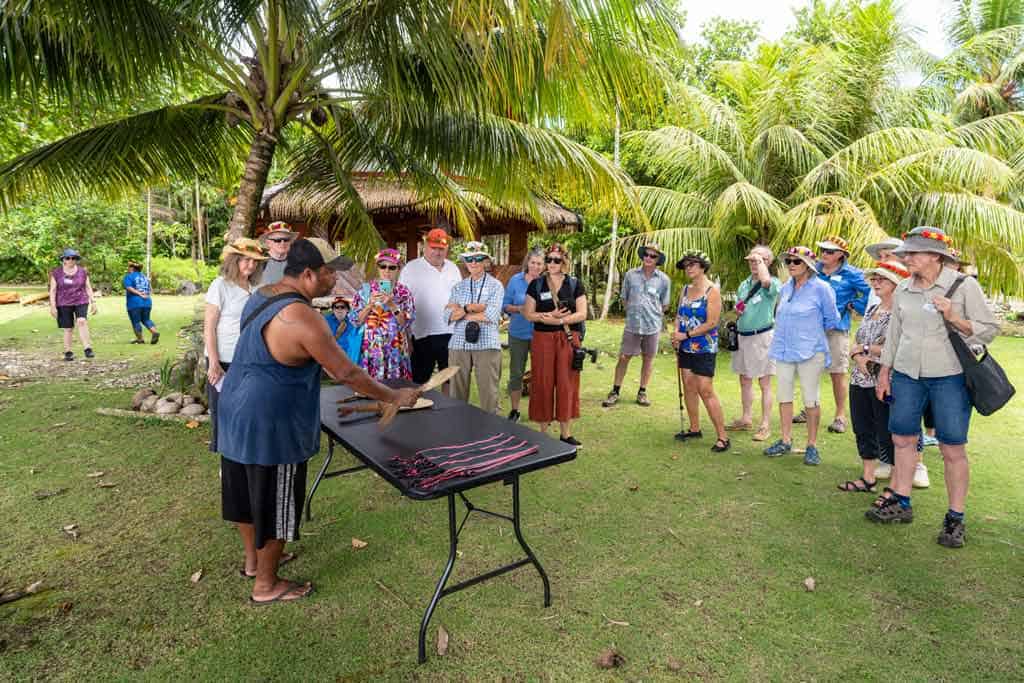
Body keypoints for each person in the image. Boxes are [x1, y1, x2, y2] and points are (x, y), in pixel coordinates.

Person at [217, 238, 418, 603]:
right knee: (275, 503)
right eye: (330, 272)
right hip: (271, 422)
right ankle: (266, 585)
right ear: (308, 274)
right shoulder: (302, 316)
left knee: (246, 494)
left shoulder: (262, 296)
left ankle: (254, 563)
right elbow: (346, 373)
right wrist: (394, 397)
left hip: (233, 407)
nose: (335, 279)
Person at [870, 227, 999, 548]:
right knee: (902, 438)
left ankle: (955, 518)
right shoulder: (903, 288)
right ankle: (901, 501)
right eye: (906, 253)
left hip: (949, 378)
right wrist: (884, 372)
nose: (906, 258)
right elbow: (895, 336)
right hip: (906, 376)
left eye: (913, 253)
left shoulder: (963, 286)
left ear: (935, 257)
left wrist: (954, 317)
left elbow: (989, 330)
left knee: (952, 447)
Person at [763, 246, 840, 465]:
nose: (790, 265)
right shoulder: (786, 287)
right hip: (783, 349)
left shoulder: (822, 288)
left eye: (796, 261)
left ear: (808, 265)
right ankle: (785, 440)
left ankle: (812, 445)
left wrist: (810, 336)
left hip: (811, 352)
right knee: (784, 396)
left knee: (811, 399)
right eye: (788, 261)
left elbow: (832, 320)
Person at [837, 260, 907, 493]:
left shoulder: (901, 313)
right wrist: (860, 355)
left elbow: (896, 346)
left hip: (886, 380)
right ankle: (868, 478)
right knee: (863, 427)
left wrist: (864, 350)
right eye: (874, 279)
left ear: (896, 283)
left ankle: (896, 485)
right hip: (860, 378)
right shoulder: (871, 309)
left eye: (882, 279)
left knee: (888, 431)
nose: (876, 283)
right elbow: (858, 340)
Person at [798, 236, 869, 435]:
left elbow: (872, 293)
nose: (824, 254)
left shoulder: (852, 274)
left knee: (837, 372)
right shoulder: (813, 270)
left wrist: (855, 305)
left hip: (836, 330)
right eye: (822, 250)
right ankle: (809, 408)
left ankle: (840, 416)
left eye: (829, 251)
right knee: (809, 371)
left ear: (841, 255)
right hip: (811, 329)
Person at [204, 238, 267, 453]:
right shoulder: (220, 285)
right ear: (234, 260)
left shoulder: (257, 288)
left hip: (250, 358)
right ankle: (226, 458)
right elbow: (209, 327)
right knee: (223, 410)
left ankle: (244, 452)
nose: (251, 265)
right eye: (246, 260)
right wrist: (213, 363)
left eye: (255, 261)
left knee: (248, 409)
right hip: (223, 359)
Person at [523, 243, 587, 447]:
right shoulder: (537, 284)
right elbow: (528, 313)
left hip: (568, 338)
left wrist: (559, 321)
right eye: (548, 259)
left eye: (556, 260)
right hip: (543, 339)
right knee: (543, 382)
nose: (552, 263)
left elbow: (582, 313)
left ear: (564, 262)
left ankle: (565, 434)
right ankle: (543, 433)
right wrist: (549, 316)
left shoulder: (575, 284)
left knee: (566, 383)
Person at [671, 250, 729, 452]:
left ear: (703, 267)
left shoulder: (712, 291)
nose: (688, 268)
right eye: (686, 265)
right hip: (685, 346)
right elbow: (679, 315)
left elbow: (712, 323)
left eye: (692, 264)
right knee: (688, 385)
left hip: (704, 346)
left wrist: (685, 335)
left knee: (705, 389)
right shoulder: (685, 290)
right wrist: (676, 333)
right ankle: (694, 428)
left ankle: (723, 437)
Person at [601, 243, 671, 408]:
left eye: (653, 256)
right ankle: (615, 391)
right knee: (624, 357)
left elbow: (665, 304)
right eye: (646, 254)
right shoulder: (630, 275)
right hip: (632, 325)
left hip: (652, 326)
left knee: (648, 359)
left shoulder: (664, 280)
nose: (648, 258)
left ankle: (642, 392)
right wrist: (633, 313)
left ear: (658, 259)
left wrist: (652, 314)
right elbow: (624, 298)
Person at [726, 245, 780, 442]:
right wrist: (738, 310)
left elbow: (765, 281)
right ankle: (746, 418)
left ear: (768, 263)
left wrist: (759, 261)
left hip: (762, 337)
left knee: (764, 382)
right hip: (743, 336)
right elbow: (740, 305)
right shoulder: (744, 284)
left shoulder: (772, 283)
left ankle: (765, 425)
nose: (753, 263)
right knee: (744, 379)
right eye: (751, 260)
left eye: (758, 260)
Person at [445, 241, 505, 413]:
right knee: (456, 395)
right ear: (465, 262)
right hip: (458, 344)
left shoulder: (495, 286)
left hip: (487, 344)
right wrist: (470, 308)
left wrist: (460, 312)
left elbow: (491, 316)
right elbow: (447, 316)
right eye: (469, 259)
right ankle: (459, 426)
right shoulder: (458, 287)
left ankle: (490, 428)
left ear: (485, 261)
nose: (473, 262)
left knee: (489, 395)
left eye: (478, 258)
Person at [399, 228, 463, 387]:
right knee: (419, 382)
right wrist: (406, 336)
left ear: (447, 249)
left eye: (441, 248)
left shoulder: (453, 268)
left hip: (451, 333)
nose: (438, 252)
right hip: (421, 334)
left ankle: (448, 405)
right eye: (434, 248)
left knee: (450, 380)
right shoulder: (411, 268)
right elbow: (402, 303)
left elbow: (460, 298)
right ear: (425, 247)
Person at [350, 248, 415, 380]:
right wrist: (369, 305)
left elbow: (405, 323)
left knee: (395, 388)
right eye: (383, 266)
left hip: (395, 348)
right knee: (371, 388)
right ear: (378, 268)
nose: (387, 271)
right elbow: (356, 321)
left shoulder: (403, 292)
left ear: (398, 269)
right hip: (371, 349)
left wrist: (392, 304)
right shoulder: (365, 290)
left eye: (392, 267)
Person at [502, 248, 544, 421]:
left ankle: (540, 410)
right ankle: (515, 410)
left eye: (539, 263)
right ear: (528, 262)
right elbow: (505, 305)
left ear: (543, 266)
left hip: (540, 335)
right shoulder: (515, 280)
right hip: (518, 334)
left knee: (541, 373)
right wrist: (520, 309)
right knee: (516, 373)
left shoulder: (547, 282)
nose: (536, 266)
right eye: (533, 262)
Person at [49, 248, 97, 361]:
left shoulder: (82, 271)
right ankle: (68, 352)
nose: (71, 260)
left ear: (76, 259)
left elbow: (88, 287)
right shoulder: (56, 273)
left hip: (81, 300)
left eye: (73, 258)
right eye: (68, 258)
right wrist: (53, 306)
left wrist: (93, 302)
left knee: (82, 321)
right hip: (63, 303)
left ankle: (87, 348)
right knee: (68, 328)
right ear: (63, 260)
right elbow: (53, 290)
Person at [123, 260, 159, 345]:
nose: (128, 269)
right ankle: (154, 332)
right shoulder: (144, 277)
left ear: (132, 268)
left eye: (129, 267)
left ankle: (140, 339)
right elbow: (150, 289)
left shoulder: (129, 276)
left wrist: (139, 293)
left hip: (135, 302)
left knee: (135, 321)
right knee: (146, 319)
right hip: (147, 301)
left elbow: (129, 287)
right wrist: (145, 294)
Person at [258, 221, 298, 286]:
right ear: (268, 243)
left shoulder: (296, 261)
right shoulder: (259, 261)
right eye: (277, 240)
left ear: (291, 242)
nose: (282, 243)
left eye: (286, 240)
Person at [325, 296, 362, 362]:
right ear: (333, 310)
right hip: (331, 358)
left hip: (348, 359)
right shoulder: (325, 321)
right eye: (336, 307)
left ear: (347, 310)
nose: (339, 309)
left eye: (342, 307)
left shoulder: (353, 321)